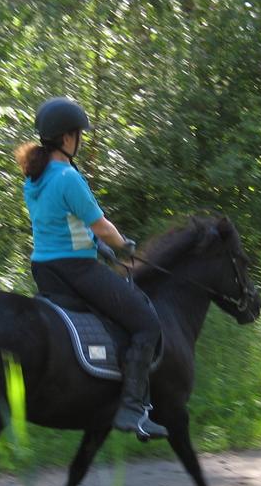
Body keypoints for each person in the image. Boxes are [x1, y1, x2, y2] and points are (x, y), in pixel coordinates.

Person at [14, 96, 169, 441]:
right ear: (67, 138)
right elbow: (100, 224)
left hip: (44, 269)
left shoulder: (34, 179)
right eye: (78, 135)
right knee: (146, 323)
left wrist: (96, 245)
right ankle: (132, 409)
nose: (79, 140)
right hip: (76, 271)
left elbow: (60, 223)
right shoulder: (68, 177)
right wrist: (122, 245)